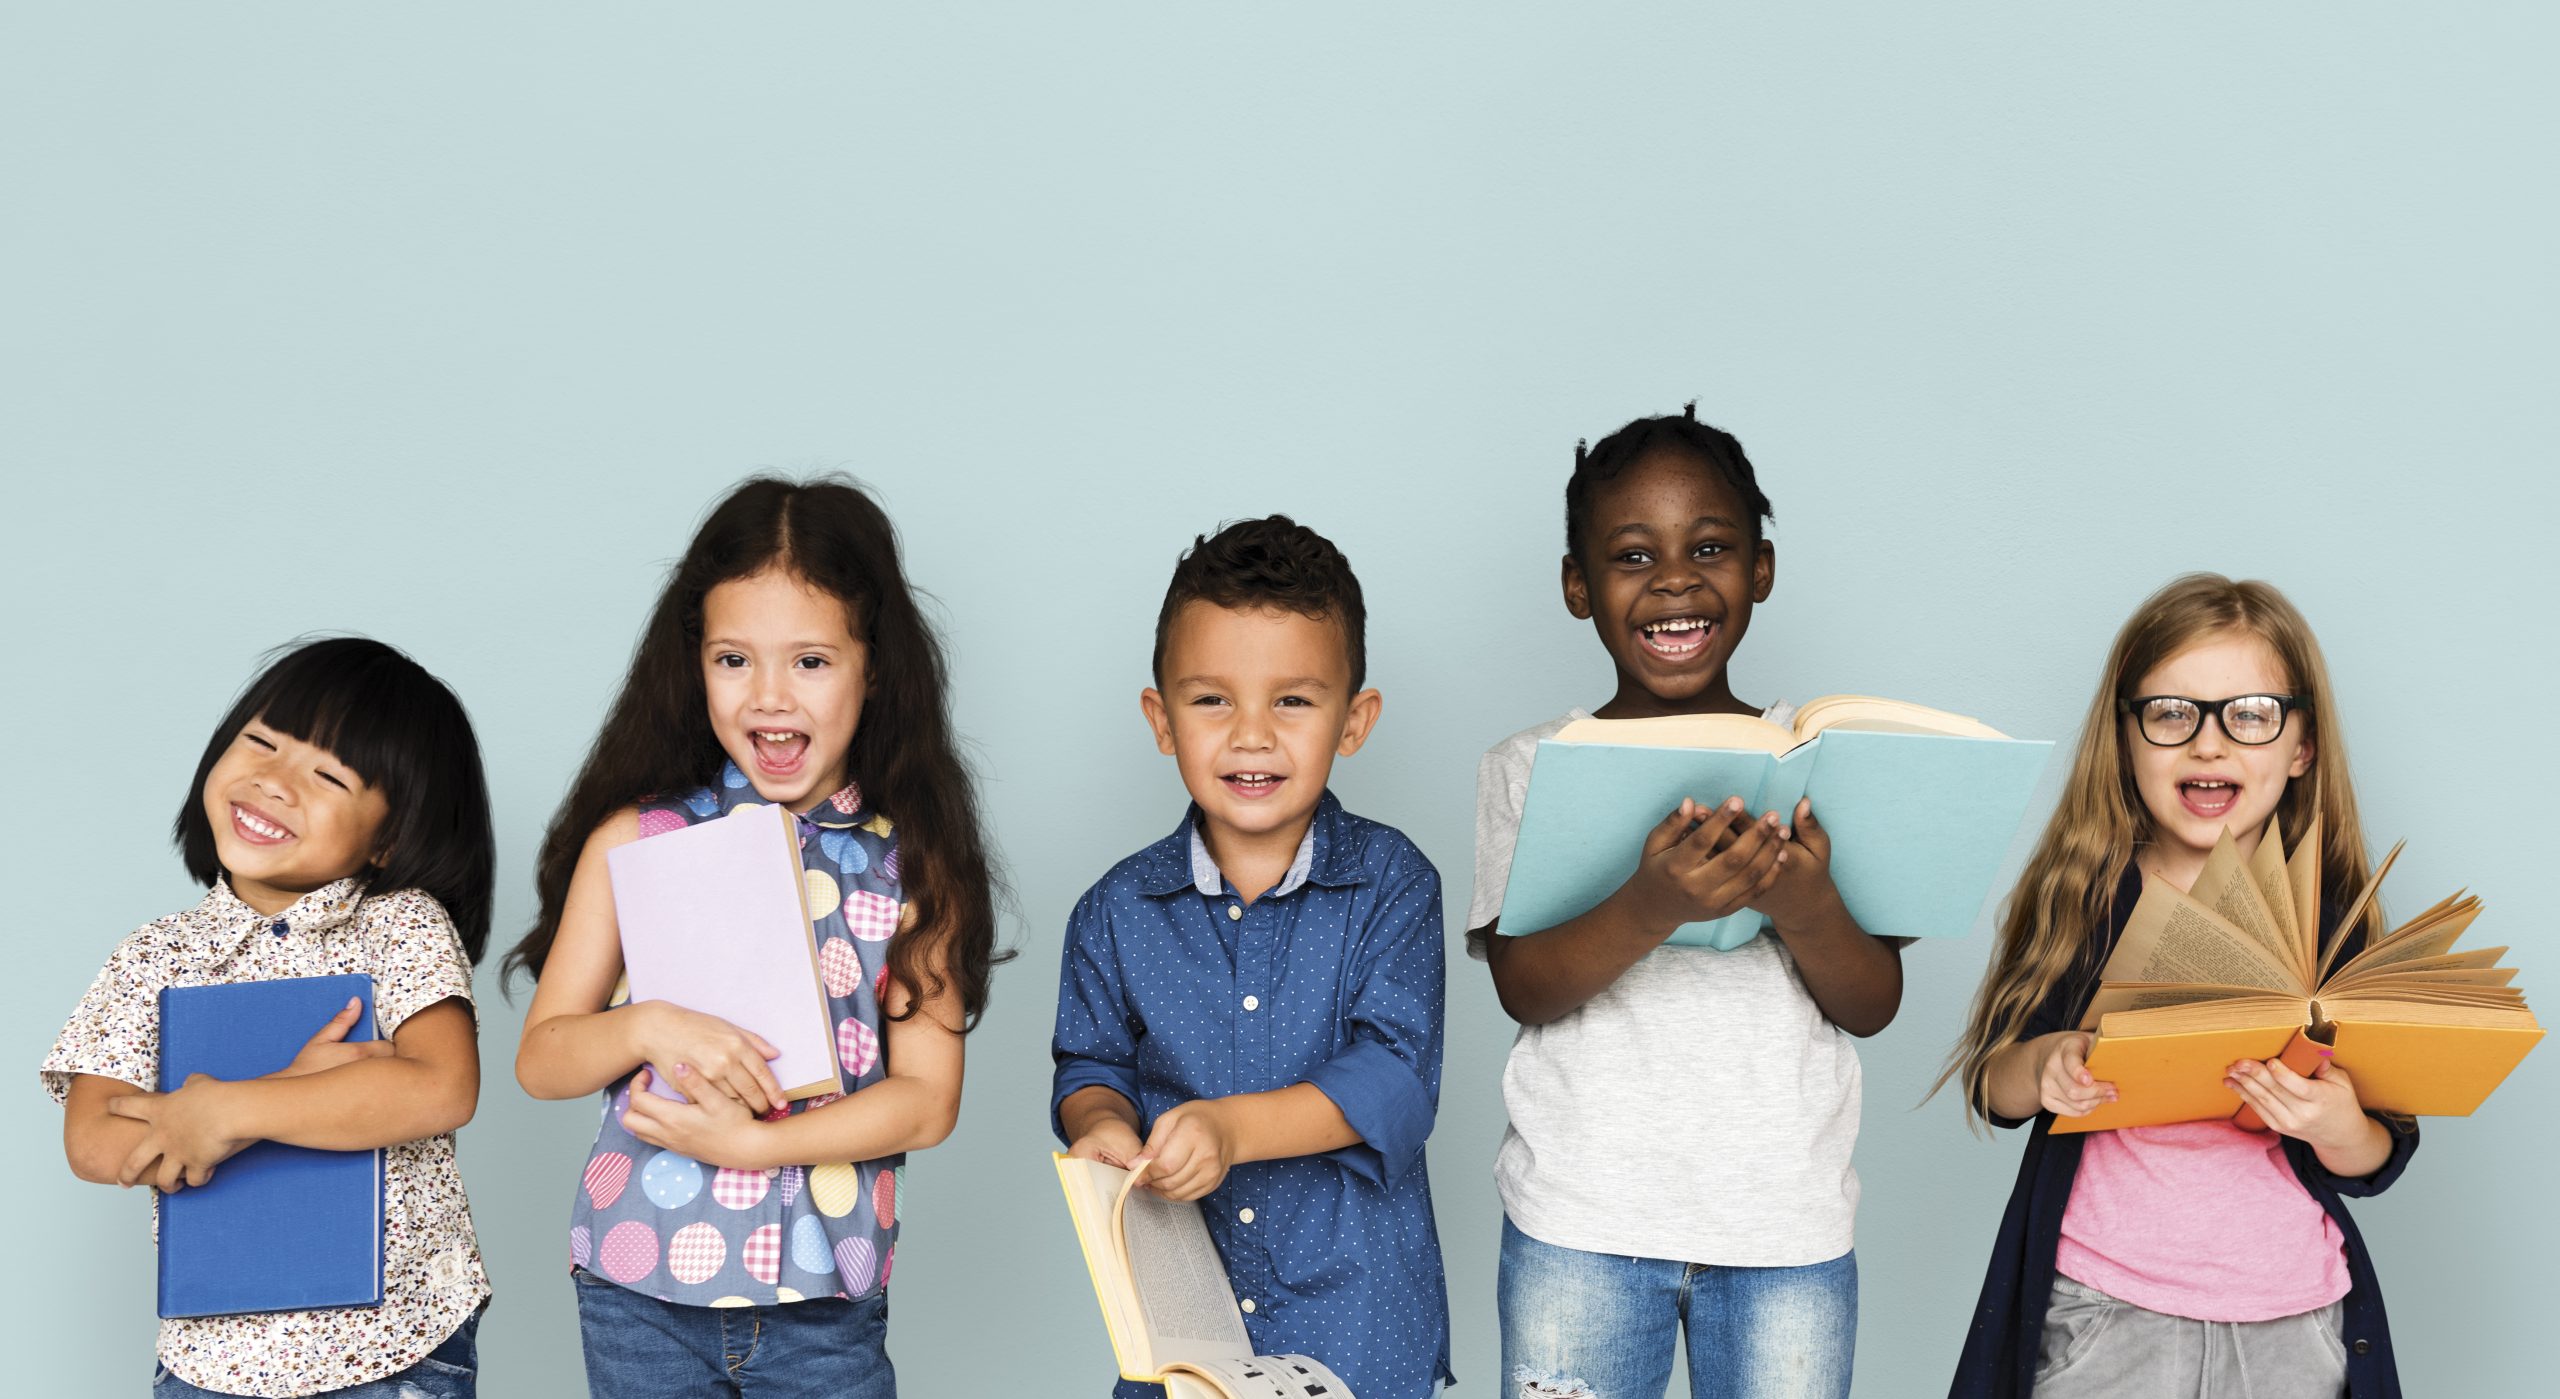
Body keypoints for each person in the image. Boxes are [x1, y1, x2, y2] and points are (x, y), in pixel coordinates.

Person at [509, 476, 1001, 1399]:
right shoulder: (637, 840)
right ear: (693, 664)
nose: (769, 696)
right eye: (734, 659)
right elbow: (544, 1058)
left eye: (810, 661)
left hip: (824, 1298)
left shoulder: (916, 867)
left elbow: (928, 1102)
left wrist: (755, 1146)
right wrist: (649, 1024)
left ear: (875, 667)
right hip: (638, 1285)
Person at [1942, 572, 2413, 1398]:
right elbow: (1995, 1085)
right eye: (2170, 713)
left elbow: (2378, 1151)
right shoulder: (2082, 896)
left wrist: (2340, 1123)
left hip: (2295, 1318)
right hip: (2104, 1312)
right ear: (2127, 738)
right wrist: (2047, 1060)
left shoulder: (2333, 922)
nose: (2210, 743)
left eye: (2252, 714)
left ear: (2301, 746)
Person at [1052, 515, 1453, 1399]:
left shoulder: (1393, 883)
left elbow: (1393, 1078)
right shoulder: (1114, 912)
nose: (1252, 733)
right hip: (1181, 1333)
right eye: (1212, 699)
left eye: (1293, 699)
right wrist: (1101, 1127)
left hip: (1360, 1330)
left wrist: (1229, 1129)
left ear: (1355, 720)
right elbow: (1091, 1065)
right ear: (1162, 718)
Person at [45, 636, 497, 1398]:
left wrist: (228, 1109)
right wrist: (281, 1092)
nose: (275, 781)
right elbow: (94, 1138)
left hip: (390, 1347)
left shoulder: (400, 925)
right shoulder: (154, 955)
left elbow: (440, 1089)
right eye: (261, 741)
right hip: (209, 1359)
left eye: (328, 775)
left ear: (389, 836)